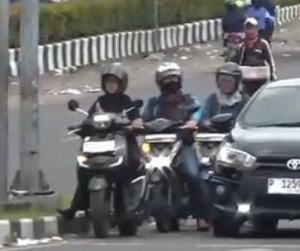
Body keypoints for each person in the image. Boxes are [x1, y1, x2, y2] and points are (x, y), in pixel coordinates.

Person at [59, 63, 140, 220]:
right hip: (100, 141)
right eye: (108, 82)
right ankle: (75, 207)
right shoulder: (100, 101)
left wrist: (134, 124)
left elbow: (136, 118)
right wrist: (82, 126)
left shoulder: (126, 101)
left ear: (121, 83)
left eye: (114, 82)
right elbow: (89, 118)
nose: (111, 85)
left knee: (131, 164)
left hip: (122, 141)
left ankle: (129, 204)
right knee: (84, 168)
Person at [138, 63, 207, 230]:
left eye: (173, 80)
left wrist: (193, 121)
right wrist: (138, 124)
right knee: (138, 171)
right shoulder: (154, 103)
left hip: (182, 144)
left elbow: (199, 111)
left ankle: (203, 216)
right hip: (156, 147)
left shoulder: (188, 100)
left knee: (193, 174)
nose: (170, 84)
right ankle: (136, 212)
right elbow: (143, 118)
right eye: (166, 81)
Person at [232, 17, 276, 96]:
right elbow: (237, 60)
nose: (250, 31)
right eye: (248, 28)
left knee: (261, 95)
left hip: (261, 75)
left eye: (252, 28)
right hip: (247, 75)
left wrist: (272, 73)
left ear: (257, 29)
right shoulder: (242, 45)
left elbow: (270, 60)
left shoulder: (263, 43)